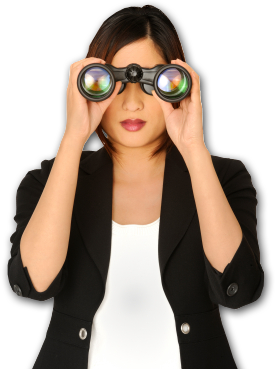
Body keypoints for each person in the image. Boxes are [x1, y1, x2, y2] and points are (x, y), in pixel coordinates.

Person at [9, 5, 264, 369]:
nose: (132, 102)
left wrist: (194, 147)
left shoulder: (224, 176)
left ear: (176, 83)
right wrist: (72, 136)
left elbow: (238, 290)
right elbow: (35, 283)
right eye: (109, 82)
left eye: (152, 81)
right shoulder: (47, 180)